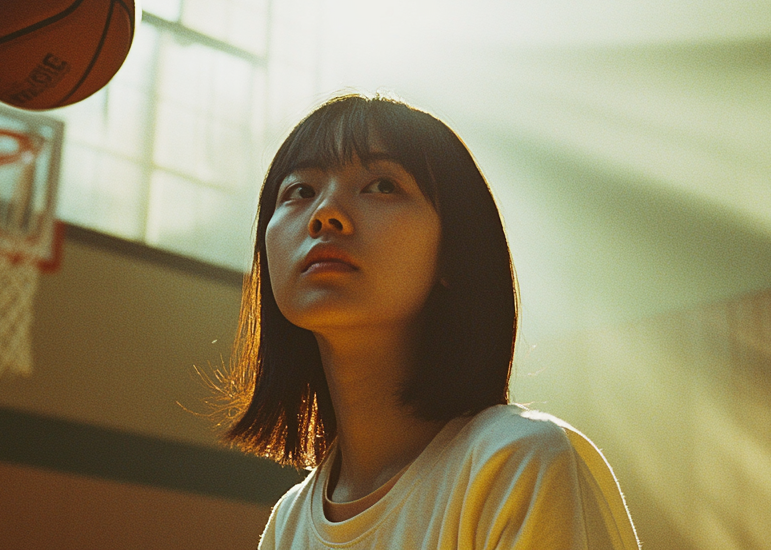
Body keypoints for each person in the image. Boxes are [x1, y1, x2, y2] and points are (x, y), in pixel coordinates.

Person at [216, 94, 639, 549]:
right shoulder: (288, 526)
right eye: (299, 191)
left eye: (381, 185)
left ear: (454, 253)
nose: (325, 215)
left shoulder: (520, 464)